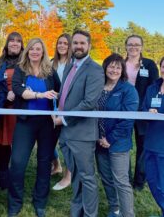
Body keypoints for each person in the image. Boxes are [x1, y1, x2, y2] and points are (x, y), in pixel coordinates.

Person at [53, 29, 104, 217]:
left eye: (82, 43)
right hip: (66, 133)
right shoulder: (69, 66)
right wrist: (57, 108)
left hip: (82, 134)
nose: (78, 46)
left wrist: (63, 118)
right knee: (75, 176)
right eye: (75, 43)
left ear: (89, 45)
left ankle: (90, 214)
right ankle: (77, 211)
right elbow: (67, 95)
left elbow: (89, 103)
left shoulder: (95, 69)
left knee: (87, 177)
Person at [8, 38, 60, 217]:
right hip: (26, 122)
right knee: (17, 162)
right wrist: (39, 94)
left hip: (46, 123)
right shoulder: (20, 70)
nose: (35, 52)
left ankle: (40, 201)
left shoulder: (50, 71)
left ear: (43, 51)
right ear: (27, 51)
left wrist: (56, 110)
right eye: (32, 49)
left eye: (38, 49)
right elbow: (17, 90)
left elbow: (59, 93)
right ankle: (15, 202)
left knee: (44, 162)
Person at [96, 53, 139, 217]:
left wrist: (110, 139)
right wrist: (99, 137)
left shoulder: (128, 90)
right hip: (98, 141)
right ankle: (115, 208)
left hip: (118, 143)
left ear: (122, 71)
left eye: (118, 67)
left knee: (121, 181)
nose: (114, 70)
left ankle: (128, 214)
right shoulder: (99, 86)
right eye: (111, 66)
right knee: (106, 178)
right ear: (105, 67)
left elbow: (128, 119)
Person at [125, 34, 159, 191]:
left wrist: (149, 108)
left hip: (143, 112)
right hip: (124, 111)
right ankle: (125, 178)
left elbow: (154, 88)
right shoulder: (121, 63)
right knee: (123, 145)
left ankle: (139, 182)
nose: (133, 47)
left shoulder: (149, 64)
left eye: (136, 44)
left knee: (142, 147)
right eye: (130, 44)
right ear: (126, 46)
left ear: (141, 47)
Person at [0, 32, 24, 190]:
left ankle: (17, 173)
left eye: (18, 41)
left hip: (20, 108)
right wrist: (5, 97)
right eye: (12, 40)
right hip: (3, 108)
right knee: (3, 143)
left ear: (21, 45)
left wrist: (17, 94)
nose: (15, 43)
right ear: (7, 44)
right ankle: (3, 173)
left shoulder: (26, 63)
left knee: (19, 143)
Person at [143, 56, 164, 217]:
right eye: (163, 66)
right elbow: (143, 110)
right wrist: (148, 113)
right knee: (153, 183)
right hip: (150, 144)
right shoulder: (152, 88)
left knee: (162, 187)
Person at [51, 33, 72, 190]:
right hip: (51, 106)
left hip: (68, 107)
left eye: (65, 43)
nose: (62, 46)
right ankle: (56, 164)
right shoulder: (52, 63)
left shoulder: (73, 64)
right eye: (60, 43)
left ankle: (68, 175)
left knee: (66, 142)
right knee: (49, 139)